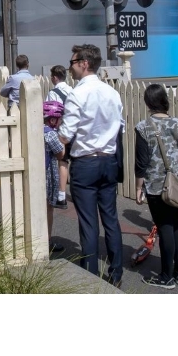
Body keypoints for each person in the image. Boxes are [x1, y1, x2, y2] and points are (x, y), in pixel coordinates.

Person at [58, 44, 124, 287]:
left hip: (85, 161)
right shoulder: (112, 93)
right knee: (110, 218)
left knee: (88, 222)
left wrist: (57, 136)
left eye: (73, 63)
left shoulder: (77, 94)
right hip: (108, 159)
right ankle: (116, 272)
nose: (70, 68)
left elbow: (66, 134)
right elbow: (120, 126)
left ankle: (91, 275)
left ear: (84, 63)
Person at [134, 84, 178, 289]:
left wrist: (138, 188)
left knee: (164, 226)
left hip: (157, 184)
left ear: (148, 102)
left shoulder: (144, 127)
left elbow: (141, 162)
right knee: (175, 226)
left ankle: (166, 277)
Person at [45, 65, 73, 209]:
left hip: (61, 130)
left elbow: (49, 112)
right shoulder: (72, 90)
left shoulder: (53, 93)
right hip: (74, 129)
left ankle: (61, 195)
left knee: (62, 160)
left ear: (55, 77)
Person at [43, 101, 67, 253]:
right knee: (48, 209)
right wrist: (63, 139)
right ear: (52, 120)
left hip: (36, 174)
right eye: (59, 119)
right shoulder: (51, 134)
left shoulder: (37, 130)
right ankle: (47, 241)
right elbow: (61, 154)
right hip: (48, 176)